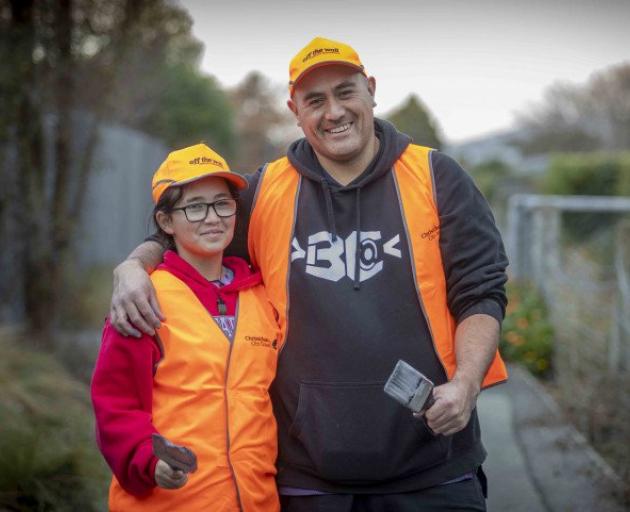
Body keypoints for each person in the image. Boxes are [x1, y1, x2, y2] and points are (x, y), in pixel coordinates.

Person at [110, 37, 509, 511]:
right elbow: (191, 233)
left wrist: (465, 384)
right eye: (314, 100)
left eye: (346, 92)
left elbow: (481, 292)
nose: (333, 111)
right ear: (294, 110)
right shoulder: (263, 192)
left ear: (372, 90)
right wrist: (135, 265)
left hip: (434, 466)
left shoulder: (436, 176)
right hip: (308, 478)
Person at [91, 144, 281, 512]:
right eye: (195, 207)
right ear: (165, 222)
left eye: (222, 204)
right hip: (172, 502)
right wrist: (150, 460)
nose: (212, 218)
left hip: (257, 502)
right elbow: (115, 405)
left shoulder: (261, 296)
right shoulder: (144, 298)